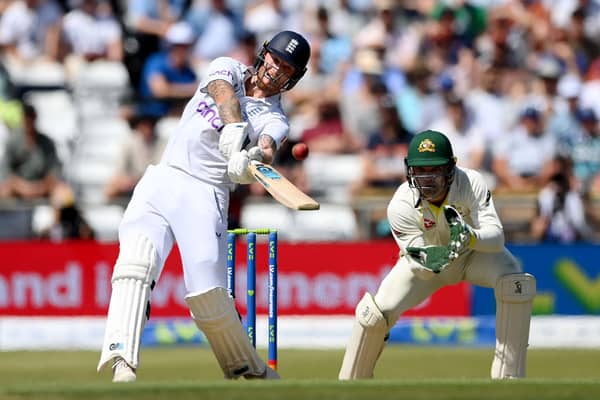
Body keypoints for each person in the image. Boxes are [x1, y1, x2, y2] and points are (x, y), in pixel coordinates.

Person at [97, 30, 311, 382]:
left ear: (294, 77)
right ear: (263, 54)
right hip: (163, 178)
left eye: (287, 67)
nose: (276, 69)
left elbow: (270, 145)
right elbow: (221, 92)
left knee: (207, 295)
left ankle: (248, 370)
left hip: (205, 195)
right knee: (135, 265)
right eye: (275, 59)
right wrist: (234, 130)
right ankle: (123, 363)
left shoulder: (276, 118)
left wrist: (252, 158)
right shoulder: (226, 66)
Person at [339, 130, 536, 380]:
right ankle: (351, 385)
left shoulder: (471, 182)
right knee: (373, 314)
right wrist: (439, 257)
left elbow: (496, 238)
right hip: (427, 266)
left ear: (451, 168)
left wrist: (468, 236)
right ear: (409, 170)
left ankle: (509, 381)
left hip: (473, 255)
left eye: (434, 169)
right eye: (420, 171)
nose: (427, 178)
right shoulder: (400, 205)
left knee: (515, 282)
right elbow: (419, 266)